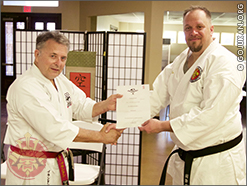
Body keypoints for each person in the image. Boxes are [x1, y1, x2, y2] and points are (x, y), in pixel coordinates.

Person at [138, 6, 246, 185]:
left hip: (215, 163)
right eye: (188, 28)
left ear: (211, 30)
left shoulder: (226, 63)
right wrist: (125, 118)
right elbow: (157, 94)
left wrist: (162, 126)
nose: (193, 32)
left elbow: (210, 115)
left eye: (199, 27)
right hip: (187, 155)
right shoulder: (182, 59)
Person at [4, 31, 123, 185]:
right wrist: (101, 137)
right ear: (37, 54)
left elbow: (80, 105)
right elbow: (54, 128)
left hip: (55, 164)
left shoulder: (59, 80)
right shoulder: (25, 87)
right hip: (30, 169)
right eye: (53, 56)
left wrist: (106, 105)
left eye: (63, 58)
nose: (58, 63)